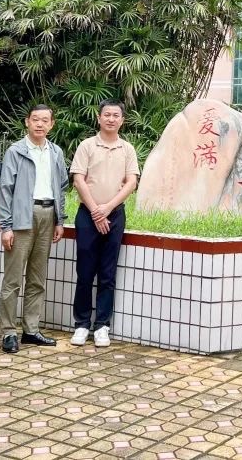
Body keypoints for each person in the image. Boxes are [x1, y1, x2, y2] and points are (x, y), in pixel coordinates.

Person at [0, 105, 69, 354]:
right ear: (27, 122)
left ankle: (31, 329)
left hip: (48, 216)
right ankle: (8, 332)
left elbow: (61, 187)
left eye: (45, 120)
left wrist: (60, 220)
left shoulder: (56, 152)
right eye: (35, 119)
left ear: (52, 124)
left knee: (38, 278)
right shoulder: (16, 151)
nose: (39, 124)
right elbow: (5, 189)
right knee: (13, 278)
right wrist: (5, 226)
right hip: (22, 218)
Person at [69, 100, 140, 348]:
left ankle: (102, 326)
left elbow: (131, 182)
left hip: (115, 214)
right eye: (106, 115)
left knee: (108, 273)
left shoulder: (127, 149)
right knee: (85, 272)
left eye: (116, 115)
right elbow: (78, 180)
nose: (111, 119)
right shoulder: (87, 146)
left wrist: (107, 209)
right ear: (98, 118)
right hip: (87, 215)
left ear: (122, 120)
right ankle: (81, 324)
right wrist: (96, 212)